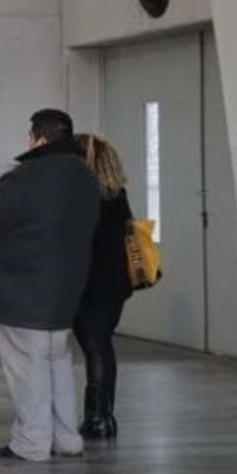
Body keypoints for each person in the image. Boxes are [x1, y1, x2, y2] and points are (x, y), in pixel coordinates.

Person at [0, 109, 100, 462]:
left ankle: (32, 442)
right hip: (66, 288)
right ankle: (67, 438)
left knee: (28, 367)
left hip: (21, 290)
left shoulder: (25, 176)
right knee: (57, 363)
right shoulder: (85, 176)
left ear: (38, 138)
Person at [73, 134, 134, 440]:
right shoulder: (117, 195)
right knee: (102, 345)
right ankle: (104, 416)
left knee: (94, 347)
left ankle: (97, 418)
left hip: (90, 281)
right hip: (115, 282)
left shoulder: (83, 196)